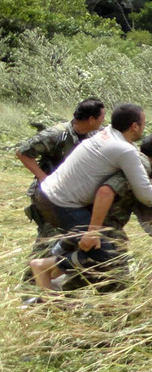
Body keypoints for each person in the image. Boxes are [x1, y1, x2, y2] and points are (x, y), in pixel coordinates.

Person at [29, 134, 152, 293]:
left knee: (84, 257)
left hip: (86, 218)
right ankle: (48, 273)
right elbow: (106, 191)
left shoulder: (129, 160)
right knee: (113, 270)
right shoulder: (138, 166)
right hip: (102, 224)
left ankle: (49, 287)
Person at [33, 103, 152, 240]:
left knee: (84, 244)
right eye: (143, 123)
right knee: (107, 249)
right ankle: (50, 261)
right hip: (60, 203)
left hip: (45, 193)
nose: (144, 128)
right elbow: (144, 192)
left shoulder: (105, 133)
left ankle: (50, 258)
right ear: (135, 126)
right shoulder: (125, 150)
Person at [15, 97, 106, 256]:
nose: (104, 120)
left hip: (73, 196)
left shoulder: (95, 134)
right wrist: (44, 178)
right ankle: (32, 278)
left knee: (69, 239)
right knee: (50, 239)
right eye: (102, 116)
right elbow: (22, 152)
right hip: (49, 196)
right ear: (91, 119)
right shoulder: (56, 134)